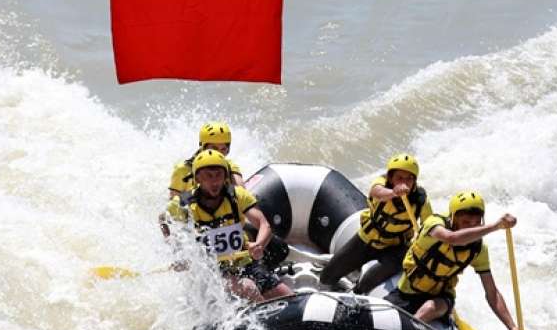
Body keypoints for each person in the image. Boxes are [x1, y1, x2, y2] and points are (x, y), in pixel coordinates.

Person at [385, 191, 528, 330]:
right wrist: (495, 226)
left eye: (476, 222)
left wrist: (512, 328)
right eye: (466, 222)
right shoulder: (434, 225)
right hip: (408, 291)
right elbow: (453, 239)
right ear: (452, 218)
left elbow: (492, 294)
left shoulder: (479, 250)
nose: (472, 227)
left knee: (429, 309)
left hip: (441, 298)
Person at [161, 150, 293, 303]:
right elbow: (163, 220)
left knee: (286, 295)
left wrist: (259, 245)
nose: (215, 181)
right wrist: (178, 251)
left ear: (225, 176)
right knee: (248, 288)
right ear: (197, 178)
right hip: (212, 270)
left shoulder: (237, 195)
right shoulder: (183, 204)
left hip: (244, 262)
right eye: (209, 176)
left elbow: (264, 225)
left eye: (218, 175)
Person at [319, 154, 432, 293]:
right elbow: (377, 192)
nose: (405, 182)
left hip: (395, 247)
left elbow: (429, 225)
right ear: (390, 178)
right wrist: (394, 192)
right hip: (367, 240)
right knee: (327, 275)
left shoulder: (420, 200)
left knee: (370, 279)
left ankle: (357, 292)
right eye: (400, 178)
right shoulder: (382, 184)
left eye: (409, 178)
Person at [169, 122, 244, 197]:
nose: (218, 153)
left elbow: (241, 191)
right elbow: (173, 203)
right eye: (214, 148)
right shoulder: (182, 170)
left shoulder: (230, 165)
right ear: (203, 147)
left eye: (223, 149)